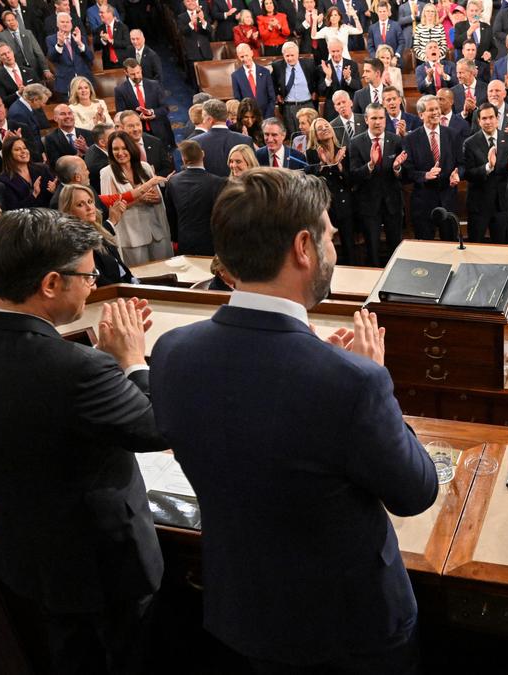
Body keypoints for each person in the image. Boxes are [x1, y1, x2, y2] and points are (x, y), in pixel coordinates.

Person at [149, 166, 435, 673]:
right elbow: (415, 493)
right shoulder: (352, 382)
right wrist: (371, 377)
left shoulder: (172, 352)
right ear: (303, 247)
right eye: (328, 232)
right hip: (349, 631)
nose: (335, 241)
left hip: (244, 614)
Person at [0, 208, 166, 674]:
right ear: (50, 284)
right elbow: (153, 428)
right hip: (104, 562)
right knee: (131, 654)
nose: (92, 284)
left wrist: (101, 364)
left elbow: (40, 409)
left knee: (70, 651)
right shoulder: (77, 370)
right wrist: (132, 363)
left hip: (29, 550)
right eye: (87, 275)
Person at [100, 129, 171, 265]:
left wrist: (154, 198)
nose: (120, 153)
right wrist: (140, 198)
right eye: (115, 149)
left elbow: (158, 198)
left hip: (156, 232)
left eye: (124, 148)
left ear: (131, 148)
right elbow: (113, 206)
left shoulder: (145, 167)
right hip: (131, 237)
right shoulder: (106, 173)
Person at [348, 102, 406, 265]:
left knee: (396, 248)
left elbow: (404, 174)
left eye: (381, 118)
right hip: (368, 204)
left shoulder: (395, 140)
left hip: (392, 203)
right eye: (374, 118)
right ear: (366, 119)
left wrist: (397, 168)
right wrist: (370, 165)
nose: (378, 122)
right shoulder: (356, 142)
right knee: (372, 248)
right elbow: (353, 175)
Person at [463, 101, 508, 246]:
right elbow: (468, 174)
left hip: (501, 204)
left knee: (501, 246)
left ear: (497, 119)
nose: (488, 121)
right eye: (484, 118)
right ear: (478, 121)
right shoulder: (470, 143)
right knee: (475, 246)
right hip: (479, 205)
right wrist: (488, 167)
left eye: (491, 117)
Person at [403, 95, 462, 241]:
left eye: (437, 109)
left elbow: (461, 163)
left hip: (448, 200)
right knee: (425, 247)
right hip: (423, 203)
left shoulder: (452, 135)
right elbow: (407, 172)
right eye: (431, 110)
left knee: (450, 246)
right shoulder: (411, 139)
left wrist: (458, 173)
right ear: (421, 114)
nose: (436, 112)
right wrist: (425, 175)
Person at [58, 182, 138, 286]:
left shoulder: (98, 230)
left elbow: (120, 266)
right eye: (80, 204)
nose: (89, 207)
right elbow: (98, 281)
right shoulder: (75, 243)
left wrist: (132, 280)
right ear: (68, 211)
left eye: (90, 201)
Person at [306, 116, 355, 265]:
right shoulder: (312, 153)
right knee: (327, 245)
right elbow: (313, 182)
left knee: (349, 245)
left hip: (345, 203)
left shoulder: (343, 150)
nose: (325, 129)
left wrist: (338, 166)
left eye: (326, 126)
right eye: (319, 128)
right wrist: (324, 164)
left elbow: (349, 181)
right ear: (315, 134)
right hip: (326, 207)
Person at [163, 141, 225, 257]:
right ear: (202, 154)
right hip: (211, 243)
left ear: (183, 159)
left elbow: (171, 215)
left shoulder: (173, 182)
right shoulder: (218, 182)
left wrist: (175, 238)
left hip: (185, 241)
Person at [0, 136, 57, 210]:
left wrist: (54, 191)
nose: (23, 151)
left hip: (50, 213)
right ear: (9, 154)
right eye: (17, 149)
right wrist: (34, 195)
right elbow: (13, 209)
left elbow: (54, 197)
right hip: (26, 219)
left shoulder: (42, 169)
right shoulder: (4, 179)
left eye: (25, 148)